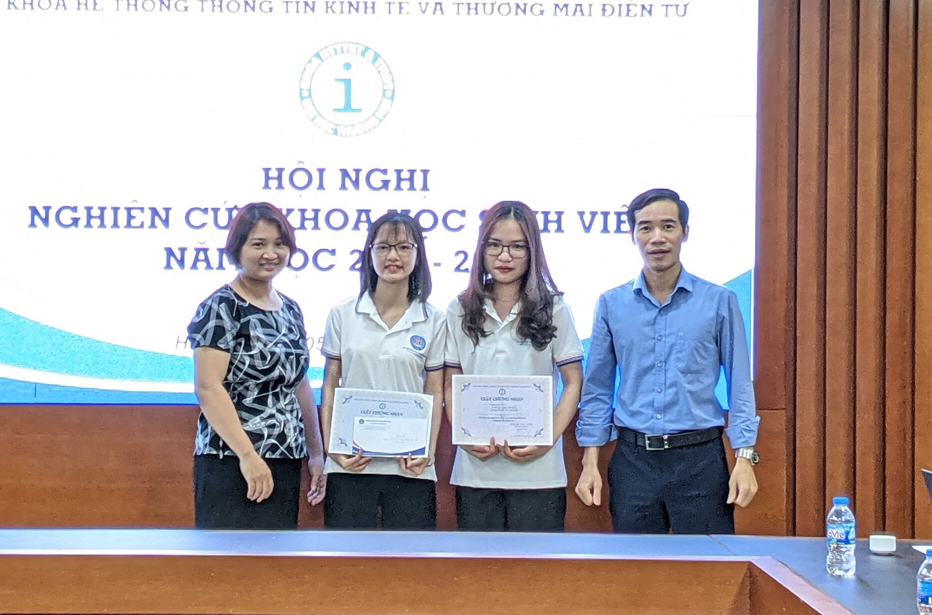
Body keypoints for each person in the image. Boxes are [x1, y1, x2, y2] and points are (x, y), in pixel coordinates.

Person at [574, 188, 759, 534]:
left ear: (684, 232)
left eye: (668, 226)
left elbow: (739, 383)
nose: (657, 237)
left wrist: (744, 457)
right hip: (633, 461)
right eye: (645, 227)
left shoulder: (719, 301)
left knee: (706, 563)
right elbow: (597, 388)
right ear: (633, 235)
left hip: (700, 459)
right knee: (636, 565)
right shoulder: (611, 304)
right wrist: (590, 461)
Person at [443, 201, 584, 532]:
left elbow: (573, 382)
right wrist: (463, 436)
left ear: (532, 251)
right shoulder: (460, 308)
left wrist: (546, 439)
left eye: (517, 246)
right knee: (479, 565)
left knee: (536, 566)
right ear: (481, 250)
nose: (504, 257)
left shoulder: (554, 308)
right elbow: (450, 382)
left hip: (539, 474)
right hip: (476, 471)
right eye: (494, 245)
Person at [188, 201, 326, 529]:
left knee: (277, 559)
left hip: (285, 459)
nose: (270, 254)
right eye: (258, 244)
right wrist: (248, 457)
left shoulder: (290, 309)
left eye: (279, 244)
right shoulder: (221, 307)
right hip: (231, 461)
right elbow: (208, 388)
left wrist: (316, 453)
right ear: (237, 249)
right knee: (228, 559)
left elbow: (299, 384)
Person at [319, 212, 447, 530]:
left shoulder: (434, 320)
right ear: (370, 253)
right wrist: (332, 448)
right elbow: (330, 384)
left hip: (410, 467)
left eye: (404, 247)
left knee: (409, 560)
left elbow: (434, 390)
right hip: (351, 464)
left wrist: (427, 451)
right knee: (346, 559)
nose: (393, 256)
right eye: (384, 247)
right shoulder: (342, 314)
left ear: (418, 254)